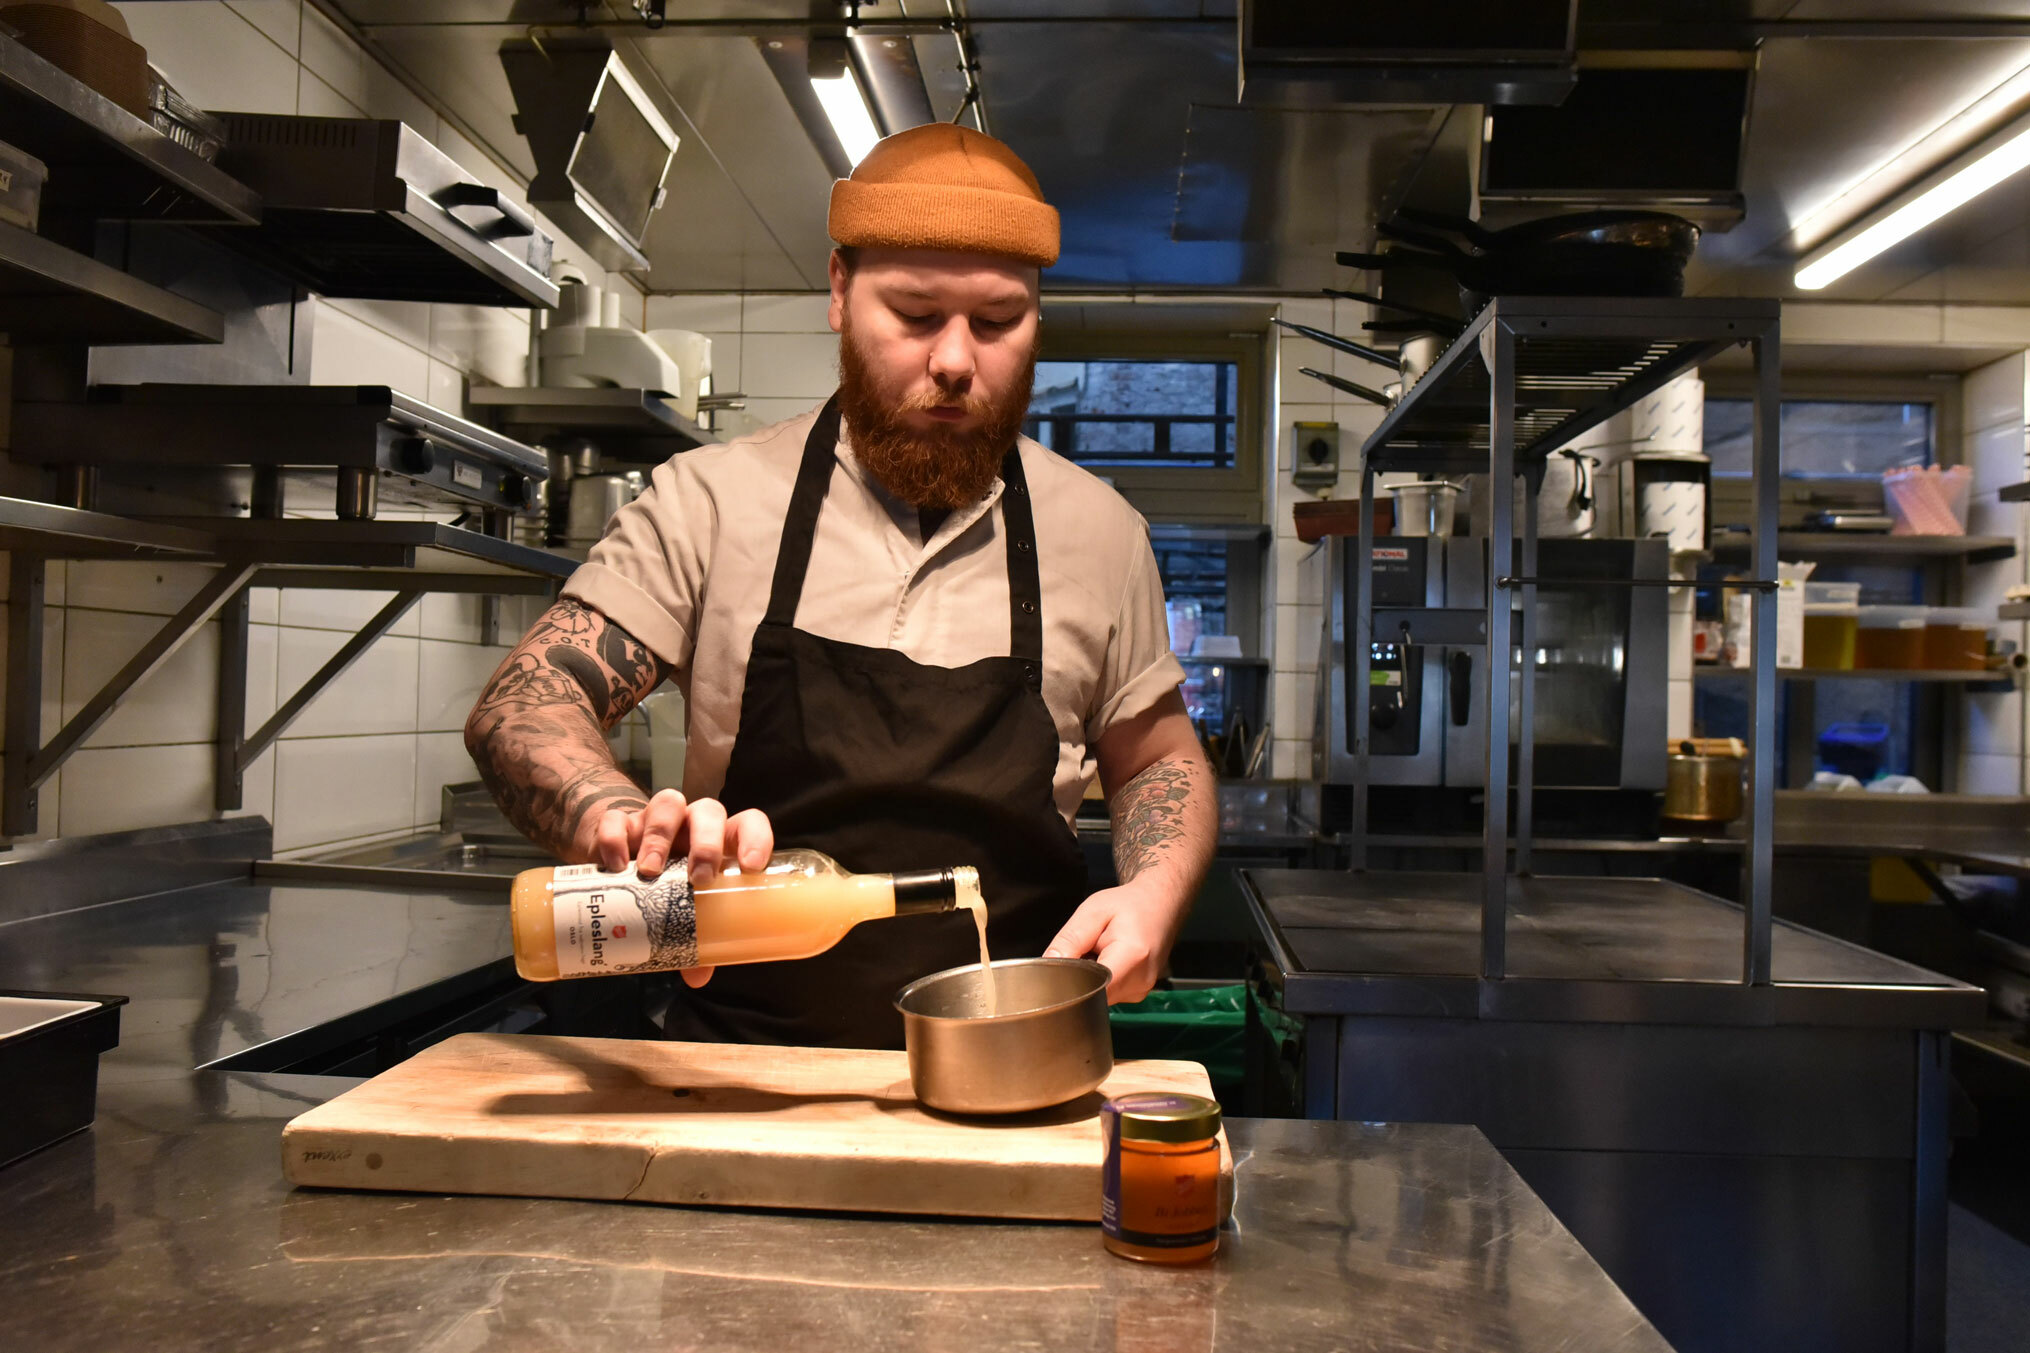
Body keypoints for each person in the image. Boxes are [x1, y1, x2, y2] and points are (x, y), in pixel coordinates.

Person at [465, 123, 1216, 1048]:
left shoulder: (1101, 534)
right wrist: (618, 821)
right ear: (838, 291)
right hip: (743, 1079)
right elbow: (525, 703)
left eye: (996, 322)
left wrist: (1152, 890)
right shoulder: (711, 503)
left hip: (1017, 1068)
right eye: (913, 314)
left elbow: (1159, 762)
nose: (953, 359)